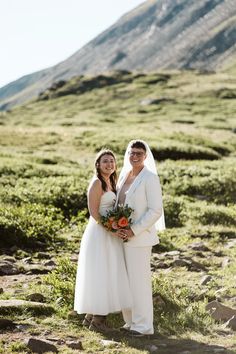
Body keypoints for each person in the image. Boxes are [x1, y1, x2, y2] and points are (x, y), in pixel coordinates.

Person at [74, 149, 132, 332]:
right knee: (102, 272)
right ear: (98, 164)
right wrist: (112, 228)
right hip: (100, 233)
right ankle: (98, 321)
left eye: (112, 161)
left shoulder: (112, 182)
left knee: (106, 271)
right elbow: (94, 213)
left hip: (110, 233)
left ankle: (90, 317)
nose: (109, 164)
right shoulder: (97, 183)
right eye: (105, 161)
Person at [116, 139, 165, 337]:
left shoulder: (150, 177)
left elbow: (155, 210)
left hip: (139, 238)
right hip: (120, 237)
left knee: (139, 283)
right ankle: (130, 323)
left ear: (145, 156)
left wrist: (133, 230)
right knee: (125, 282)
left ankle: (144, 326)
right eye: (131, 152)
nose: (134, 156)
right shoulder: (124, 175)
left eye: (138, 153)